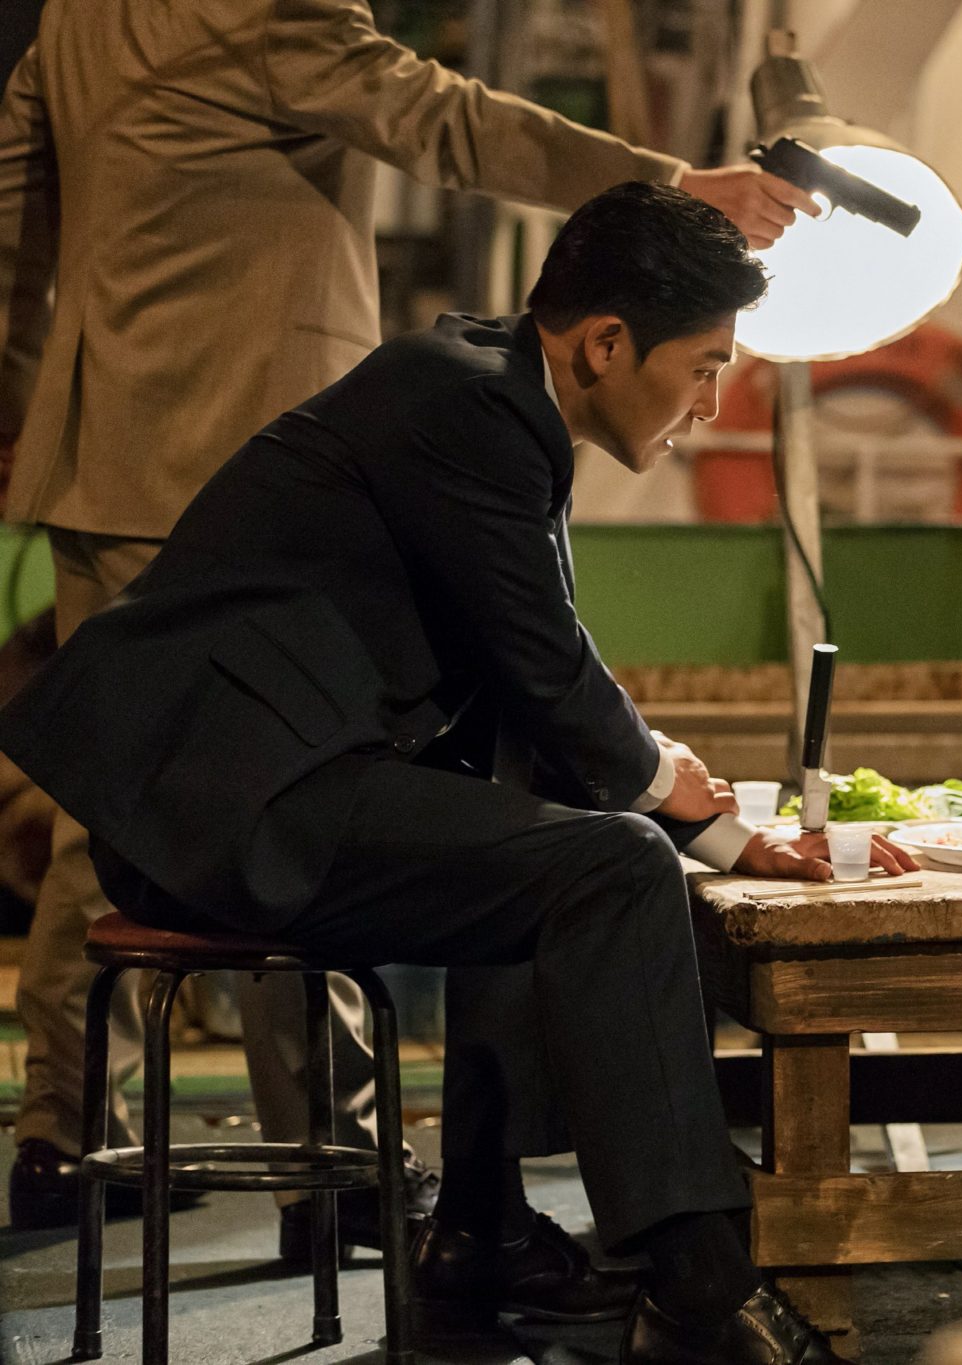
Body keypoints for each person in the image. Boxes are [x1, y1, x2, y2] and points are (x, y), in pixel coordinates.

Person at [0, 182, 901, 1362]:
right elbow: (541, 657)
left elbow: (533, 682)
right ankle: (696, 1283)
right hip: (233, 808)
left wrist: (695, 815)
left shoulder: (488, 390)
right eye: (702, 368)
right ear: (606, 344)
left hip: (274, 786)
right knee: (612, 863)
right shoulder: (467, 406)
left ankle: (481, 1233)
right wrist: (683, 806)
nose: (709, 404)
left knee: (563, 829)